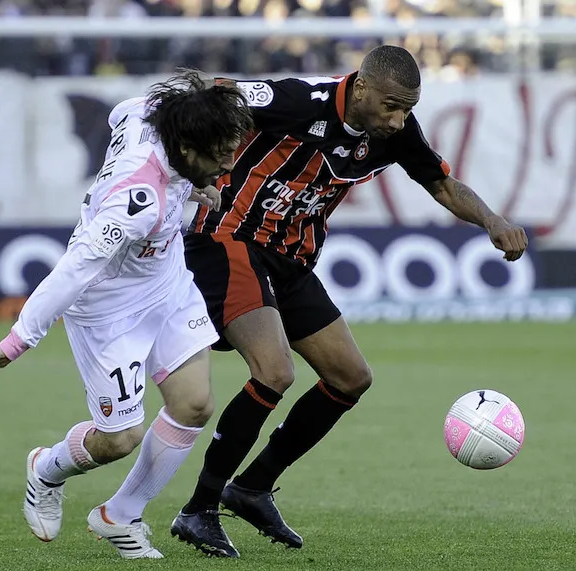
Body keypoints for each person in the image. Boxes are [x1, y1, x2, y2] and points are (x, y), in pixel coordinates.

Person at [169, 45, 528, 558]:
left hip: (292, 261)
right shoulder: (301, 100)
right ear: (360, 87)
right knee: (274, 372)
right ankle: (199, 509)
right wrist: (188, 170)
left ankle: (251, 487)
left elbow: (442, 184)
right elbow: (219, 93)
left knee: (350, 377)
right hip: (231, 241)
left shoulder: (396, 131)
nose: (399, 119)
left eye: (407, 108)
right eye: (391, 105)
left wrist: (492, 220)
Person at [0, 70, 253, 560]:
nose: (229, 165)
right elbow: (75, 269)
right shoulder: (134, 204)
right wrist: (18, 341)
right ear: (186, 146)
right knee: (121, 437)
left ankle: (119, 515)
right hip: (108, 311)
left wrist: (192, 183)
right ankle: (47, 467)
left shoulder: (148, 113)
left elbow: (125, 108)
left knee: (195, 404)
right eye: (220, 154)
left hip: (167, 284)